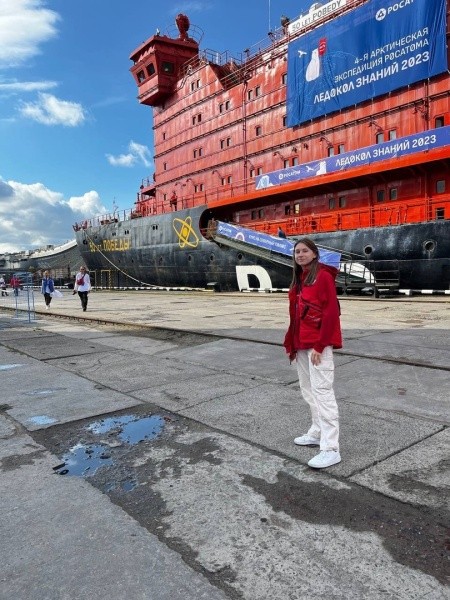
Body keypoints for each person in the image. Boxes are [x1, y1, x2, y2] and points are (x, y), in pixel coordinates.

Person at [283, 237, 342, 469]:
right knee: (308, 391)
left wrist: (320, 345)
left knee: (323, 393)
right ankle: (317, 432)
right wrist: (292, 344)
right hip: (301, 343)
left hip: (317, 345)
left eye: (304, 251)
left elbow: (331, 313)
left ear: (315, 254)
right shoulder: (300, 278)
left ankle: (331, 449)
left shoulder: (323, 276)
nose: (300, 255)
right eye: (297, 251)